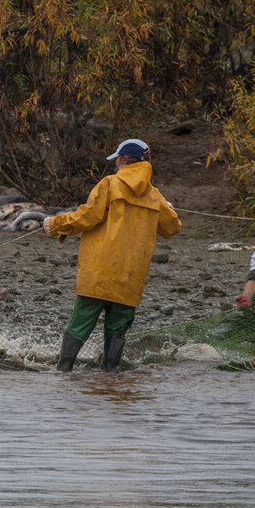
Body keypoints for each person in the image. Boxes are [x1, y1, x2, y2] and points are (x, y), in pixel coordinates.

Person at [43, 138, 181, 372]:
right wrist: (168, 207)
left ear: (125, 159)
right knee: (117, 329)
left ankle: (63, 370)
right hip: (130, 276)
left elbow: (87, 217)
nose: (115, 162)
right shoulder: (155, 196)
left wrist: (55, 224)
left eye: (117, 158)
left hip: (99, 271)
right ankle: (110, 374)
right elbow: (172, 227)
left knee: (80, 323)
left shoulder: (109, 184)